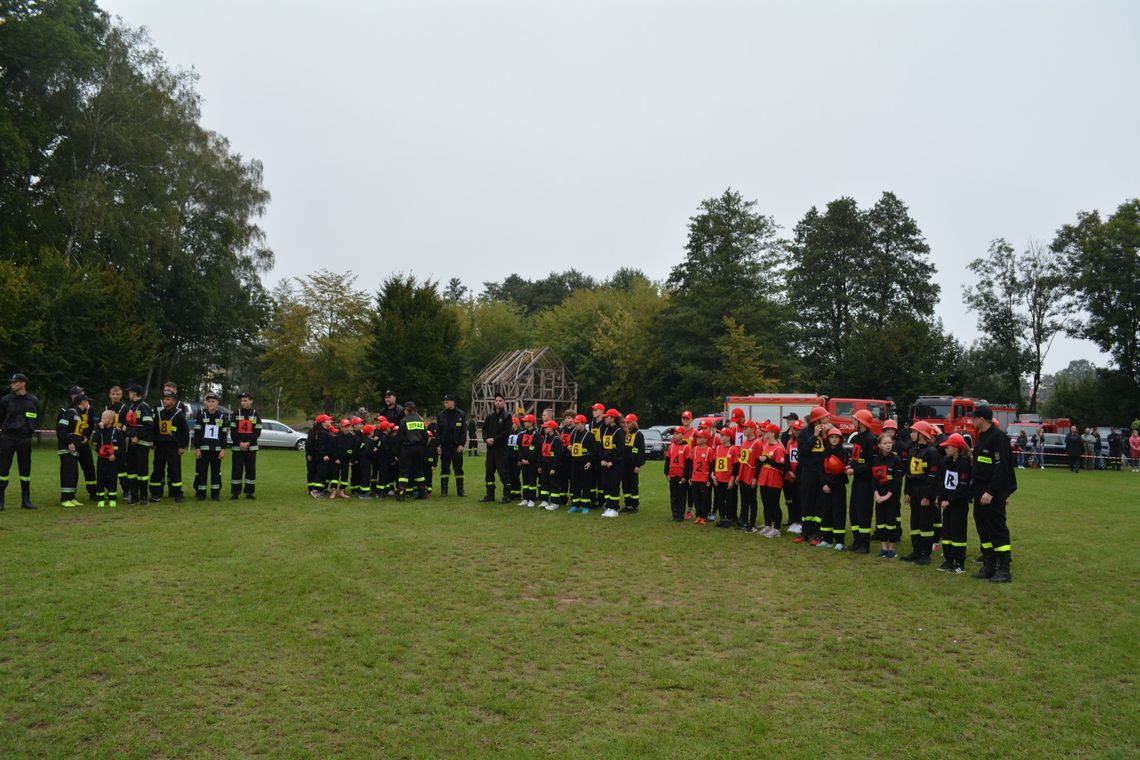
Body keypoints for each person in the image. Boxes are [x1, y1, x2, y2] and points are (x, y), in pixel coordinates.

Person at [971, 405, 1016, 583]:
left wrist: (991, 491)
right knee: (983, 528)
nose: (972, 421)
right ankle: (989, 565)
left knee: (997, 528)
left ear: (981, 419)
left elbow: (1002, 468)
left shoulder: (998, 438)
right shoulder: (983, 437)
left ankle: (1004, 569)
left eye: (974, 418)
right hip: (980, 491)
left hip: (993, 493)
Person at [900, 421, 940, 565]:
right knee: (914, 523)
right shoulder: (913, 450)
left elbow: (932, 477)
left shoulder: (932, 452)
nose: (911, 434)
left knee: (925, 524)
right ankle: (916, 551)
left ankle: (925, 554)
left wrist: (927, 496)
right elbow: (909, 473)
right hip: (914, 491)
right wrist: (906, 492)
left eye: (914, 431)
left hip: (925, 492)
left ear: (922, 434)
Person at [0, 373, 41, 510]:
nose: (12, 384)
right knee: (3, 469)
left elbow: (36, 418)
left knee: (25, 469)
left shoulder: (33, 400)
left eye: (14, 382)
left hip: (25, 438)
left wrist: (31, 428)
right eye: (11, 382)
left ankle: (26, 500)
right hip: (8, 438)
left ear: (23, 383)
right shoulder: (6, 400)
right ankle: (0, 501)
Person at [937, 433, 973, 574]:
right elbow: (942, 481)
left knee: (958, 532)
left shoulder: (964, 464)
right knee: (947, 531)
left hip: (958, 504)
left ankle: (960, 562)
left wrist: (949, 501)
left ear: (956, 449)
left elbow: (962, 487)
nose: (946, 449)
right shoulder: (946, 461)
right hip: (946, 503)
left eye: (948, 446)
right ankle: (948, 559)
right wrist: (940, 497)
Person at [797, 406, 830, 544]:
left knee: (820, 503)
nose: (828, 419)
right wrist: (814, 436)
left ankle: (818, 533)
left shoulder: (828, 432)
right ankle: (806, 532)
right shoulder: (804, 433)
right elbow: (803, 451)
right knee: (807, 502)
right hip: (808, 472)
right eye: (825, 417)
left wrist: (824, 437)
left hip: (822, 473)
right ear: (818, 419)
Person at [848, 409, 878, 554]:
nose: (852, 422)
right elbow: (857, 458)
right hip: (857, 480)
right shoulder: (858, 437)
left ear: (861, 422)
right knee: (854, 512)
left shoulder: (871, 439)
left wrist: (855, 470)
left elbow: (872, 464)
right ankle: (857, 541)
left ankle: (864, 545)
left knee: (863, 512)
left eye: (855, 420)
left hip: (866, 483)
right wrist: (851, 466)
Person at [150, 390, 189, 502]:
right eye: (164, 399)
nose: (165, 401)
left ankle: (177, 493)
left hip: (173, 446)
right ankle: (156, 494)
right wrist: (152, 441)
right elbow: (154, 429)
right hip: (160, 445)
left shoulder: (179, 414)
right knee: (157, 469)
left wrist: (182, 446)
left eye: (168, 399)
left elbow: (185, 432)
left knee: (174, 470)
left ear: (173, 401)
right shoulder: (159, 413)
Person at [870, 433, 903, 559]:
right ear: (879, 445)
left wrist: (887, 495)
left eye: (890, 443)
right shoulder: (876, 460)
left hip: (891, 497)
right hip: (879, 496)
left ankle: (892, 549)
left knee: (891, 523)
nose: (888, 445)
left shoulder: (896, 460)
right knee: (881, 523)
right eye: (885, 443)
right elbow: (873, 479)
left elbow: (897, 481)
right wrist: (876, 494)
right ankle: (884, 548)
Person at [817, 427, 849, 550]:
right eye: (832, 437)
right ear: (828, 439)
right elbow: (821, 470)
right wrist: (824, 484)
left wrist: (829, 485)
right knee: (826, 512)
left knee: (838, 513)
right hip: (825, 487)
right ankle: (827, 539)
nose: (834, 439)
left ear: (840, 439)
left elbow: (840, 473)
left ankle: (839, 541)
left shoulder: (843, 453)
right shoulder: (825, 451)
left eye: (836, 437)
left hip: (838, 488)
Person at [57, 393, 91, 507]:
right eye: (87, 401)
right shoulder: (71, 412)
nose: (88, 404)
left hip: (75, 449)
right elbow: (61, 428)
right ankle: (65, 499)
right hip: (67, 448)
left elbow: (75, 431)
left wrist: (82, 438)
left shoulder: (79, 414)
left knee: (74, 473)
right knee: (68, 473)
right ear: (82, 402)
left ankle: (71, 497)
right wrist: (69, 442)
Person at [192, 392, 228, 501]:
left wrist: (223, 449)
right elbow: (197, 434)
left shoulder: (222, 417)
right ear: (206, 403)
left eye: (213, 401)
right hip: (203, 450)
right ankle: (201, 493)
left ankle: (215, 493)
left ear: (217, 403)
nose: (211, 404)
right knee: (202, 472)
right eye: (209, 402)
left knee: (216, 472)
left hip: (216, 450)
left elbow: (224, 435)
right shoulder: (201, 417)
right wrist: (197, 448)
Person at [123, 384, 154, 505]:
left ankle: (144, 497)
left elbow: (149, 425)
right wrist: (128, 430)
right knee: (131, 470)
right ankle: (134, 496)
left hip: (141, 443)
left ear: (135, 393)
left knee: (142, 470)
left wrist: (137, 436)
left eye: (129, 392)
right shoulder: (132, 407)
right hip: (131, 442)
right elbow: (129, 425)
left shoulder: (143, 407)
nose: (128, 394)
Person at [480, 394, 512, 504]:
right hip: (490, 450)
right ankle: (490, 495)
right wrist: (486, 439)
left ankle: (507, 495)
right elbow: (484, 430)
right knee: (489, 472)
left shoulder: (507, 416)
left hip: (501, 449)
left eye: (500, 400)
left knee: (503, 472)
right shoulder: (490, 416)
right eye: (496, 400)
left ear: (504, 402)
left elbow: (506, 432)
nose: (498, 402)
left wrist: (494, 439)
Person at [229, 392, 262, 500]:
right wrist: (240, 443)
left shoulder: (255, 414)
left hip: (251, 448)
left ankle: (249, 492)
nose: (243, 403)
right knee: (237, 470)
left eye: (245, 400)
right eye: (242, 401)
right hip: (238, 447)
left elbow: (257, 431)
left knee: (250, 470)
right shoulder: (236, 414)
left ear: (251, 401)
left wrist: (248, 443)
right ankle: (235, 492)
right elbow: (233, 431)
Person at [757, 421, 787, 537]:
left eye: (767, 431)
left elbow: (780, 466)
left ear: (773, 434)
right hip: (764, 478)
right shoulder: (766, 445)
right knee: (766, 503)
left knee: (774, 503)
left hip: (774, 480)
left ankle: (777, 529)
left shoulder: (778, 448)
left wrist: (767, 460)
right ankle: (768, 525)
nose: (764, 432)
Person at [91, 410, 124, 508]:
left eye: (104, 418)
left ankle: (112, 498)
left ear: (110, 421)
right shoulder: (99, 430)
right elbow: (94, 442)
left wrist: (115, 455)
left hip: (112, 460)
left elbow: (122, 446)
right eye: (101, 418)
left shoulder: (117, 432)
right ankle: (100, 498)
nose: (101, 420)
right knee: (100, 478)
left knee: (112, 478)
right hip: (101, 459)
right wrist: (99, 430)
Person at [396, 401, 429, 501]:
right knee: (419, 471)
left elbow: (400, 438)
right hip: (419, 449)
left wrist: (397, 452)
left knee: (404, 472)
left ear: (406, 410)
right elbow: (426, 437)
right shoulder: (420, 421)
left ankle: (401, 494)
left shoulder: (404, 421)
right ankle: (422, 493)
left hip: (407, 448)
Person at [598, 409, 626, 518]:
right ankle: (608, 506)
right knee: (606, 485)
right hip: (605, 463)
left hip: (615, 464)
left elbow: (620, 450)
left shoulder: (619, 432)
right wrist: (602, 459)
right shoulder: (604, 430)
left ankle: (614, 508)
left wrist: (612, 461)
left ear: (612, 418)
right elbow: (601, 447)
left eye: (607, 417)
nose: (605, 419)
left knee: (614, 485)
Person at [437, 394, 467, 496]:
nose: (445, 403)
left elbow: (463, 431)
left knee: (458, 468)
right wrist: (438, 445)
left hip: (456, 446)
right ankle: (444, 491)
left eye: (447, 402)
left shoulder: (461, 414)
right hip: (445, 446)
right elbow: (438, 432)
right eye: (444, 402)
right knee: (444, 468)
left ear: (452, 402)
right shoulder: (441, 415)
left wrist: (461, 444)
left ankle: (460, 490)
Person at [566, 414, 595, 513]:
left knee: (586, 484)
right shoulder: (574, 434)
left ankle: (585, 505)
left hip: (584, 463)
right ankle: (575, 505)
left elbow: (594, 451)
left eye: (577, 423)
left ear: (583, 423)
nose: (575, 425)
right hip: (574, 462)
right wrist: (569, 447)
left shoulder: (590, 435)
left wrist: (590, 462)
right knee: (574, 484)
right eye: (575, 423)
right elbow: (571, 445)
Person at [711, 427, 740, 528]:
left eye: (722, 435)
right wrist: (713, 475)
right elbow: (714, 463)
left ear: (728, 437)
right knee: (720, 500)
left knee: (730, 500)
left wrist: (732, 479)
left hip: (728, 480)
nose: (720, 437)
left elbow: (736, 465)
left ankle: (730, 518)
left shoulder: (733, 449)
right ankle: (723, 518)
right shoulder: (718, 448)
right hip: (718, 479)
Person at [736, 421, 761, 533]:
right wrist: (738, 475)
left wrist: (755, 478)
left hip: (750, 477)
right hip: (743, 476)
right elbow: (742, 460)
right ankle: (744, 521)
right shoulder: (744, 442)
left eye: (746, 428)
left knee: (752, 501)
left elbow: (758, 463)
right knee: (744, 500)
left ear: (752, 429)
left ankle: (752, 523)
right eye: (743, 428)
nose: (744, 430)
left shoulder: (757, 443)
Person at [105, 386, 130, 497]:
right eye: (113, 394)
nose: (115, 396)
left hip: (120, 442)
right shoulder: (105, 408)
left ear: (121, 396)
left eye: (118, 394)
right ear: (110, 395)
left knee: (122, 468)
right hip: (106, 442)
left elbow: (129, 423)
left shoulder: (125, 408)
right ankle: (109, 490)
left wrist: (125, 427)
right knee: (107, 468)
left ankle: (126, 490)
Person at [664, 427, 691, 522]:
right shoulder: (671, 446)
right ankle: (674, 514)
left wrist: (685, 476)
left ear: (683, 435)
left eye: (677, 433)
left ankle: (680, 515)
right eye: (674, 434)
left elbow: (688, 463)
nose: (674, 435)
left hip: (681, 476)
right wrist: (666, 473)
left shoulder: (686, 448)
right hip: (672, 475)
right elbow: (667, 460)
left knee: (681, 496)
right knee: (673, 496)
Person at [620, 413, 645, 514]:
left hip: (633, 465)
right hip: (624, 464)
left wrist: (638, 465)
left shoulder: (639, 435)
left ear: (634, 423)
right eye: (626, 422)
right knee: (625, 485)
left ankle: (634, 505)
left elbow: (641, 451)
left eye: (629, 422)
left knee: (633, 485)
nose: (627, 424)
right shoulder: (626, 433)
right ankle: (628, 504)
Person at [688, 430, 714, 525]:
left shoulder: (709, 450)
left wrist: (709, 479)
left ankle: (704, 516)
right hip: (695, 478)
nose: (697, 439)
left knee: (705, 498)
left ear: (705, 439)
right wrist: (690, 476)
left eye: (699, 437)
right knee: (696, 498)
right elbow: (691, 464)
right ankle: (698, 515)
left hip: (704, 479)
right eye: (697, 437)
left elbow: (711, 465)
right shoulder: (694, 449)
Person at [781, 415, 802, 533]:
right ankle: (794, 520)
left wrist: (796, 474)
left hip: (799, 475)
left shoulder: (803, 443)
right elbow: (787, 457)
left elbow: (802, 461)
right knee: (792, 498)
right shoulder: (790, 442)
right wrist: (789, 471)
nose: (796, 432)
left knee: (799, 499)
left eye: (798, 430)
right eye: (795, 429)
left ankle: (800, 522)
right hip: (790, 474)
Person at [537, 419, 563, 510]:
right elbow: (541, 453)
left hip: (552, 466)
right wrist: (539, 465)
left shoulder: (557, 440)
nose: (544, 429)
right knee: (544, 483)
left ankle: (555, 502)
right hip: (544, 466)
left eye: (546, 427)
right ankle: (544, 501)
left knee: (554, 484)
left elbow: (558, 456)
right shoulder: (545, 439)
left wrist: (554, 468)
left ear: (551, 428)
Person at [517, 414, 539, 507]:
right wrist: (521, 459)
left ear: (531, 423)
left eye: (526, 421)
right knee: (525, 480)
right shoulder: (522, 434)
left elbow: (535, 448)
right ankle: (525, 498)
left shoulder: (536, 434)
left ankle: (532, 499)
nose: (524, 423)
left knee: (532, 481)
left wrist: (529, 459)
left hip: (532, 462)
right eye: (524, 421)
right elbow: (519, 448)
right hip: (523, 461)